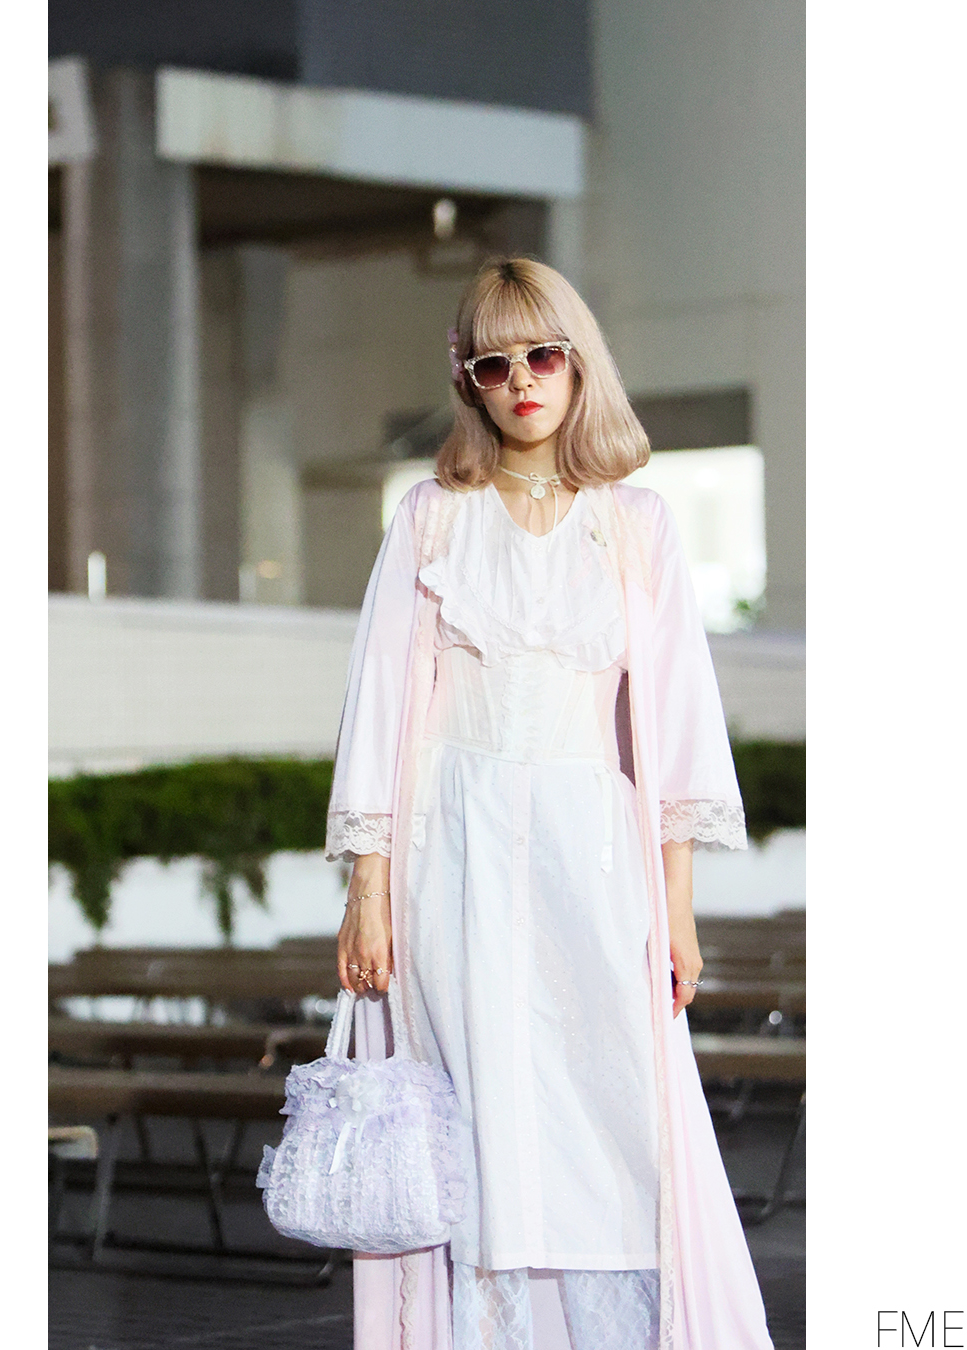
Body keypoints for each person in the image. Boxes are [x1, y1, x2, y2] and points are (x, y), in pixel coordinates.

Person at [327, 258, 773, 1350]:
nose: (521, 379)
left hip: (593, 850)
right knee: (477, 1119)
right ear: (468, 383)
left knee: (613, 1117)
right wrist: (368, 891)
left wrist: (678, 909)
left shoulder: (637, 523)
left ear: (579, 363)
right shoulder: (432, 518)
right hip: (453, 851)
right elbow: (379, 704)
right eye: (494, 363)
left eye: (542, 354)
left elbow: (677, 722)